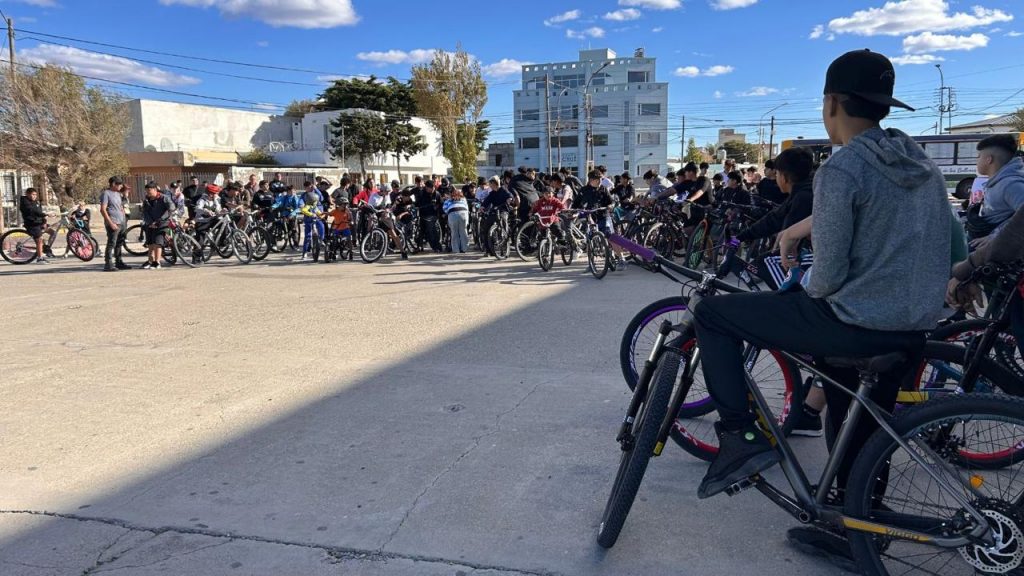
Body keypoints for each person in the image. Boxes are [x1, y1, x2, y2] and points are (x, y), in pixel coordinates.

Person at [691, 51, 952, 568]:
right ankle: (856, 526)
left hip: (855, 321)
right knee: (857, 421)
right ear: (883, 107)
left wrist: (797, 283)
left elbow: (827, 276)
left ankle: (739, 437)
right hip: (913, 324)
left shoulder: (843, 169)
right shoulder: (919, 162)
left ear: (830, 103)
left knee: (714, 313)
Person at [966, 133, 1024, 241]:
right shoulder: (998, 182)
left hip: (996, 252)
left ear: (989, 160)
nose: (976, 161)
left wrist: (994, 238)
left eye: (978, 157)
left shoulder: (1010, 184)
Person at [140, 182, 174, 270]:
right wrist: (150, 222)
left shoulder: (164, 198)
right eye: (146, 191)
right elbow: (145, 212)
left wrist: (159, 221)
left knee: (157, 242)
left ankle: (157, 262)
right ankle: (150, 261)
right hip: (150, 224)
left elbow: (171, 208)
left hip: (162, 223)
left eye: (149, 190)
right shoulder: (146, 200)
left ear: (155, 190)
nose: (147, 192)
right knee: (150, 243)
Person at [480, 175, 517, 257]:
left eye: (491, 184)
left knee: (503, 222)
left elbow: (510, 196)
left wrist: (509, 199)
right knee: (486, 228)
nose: (490, 186)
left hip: (503, 210)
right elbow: (487, 201)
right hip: (494, 211)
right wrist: (482, 207)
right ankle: (488, 250)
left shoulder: (503, 190)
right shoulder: (492, 193)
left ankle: (506, 241)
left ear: (495, 183)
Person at [100, 176, 131, 271]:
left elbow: (121, 206)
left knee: (119, 243)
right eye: (119, 184)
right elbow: (103, 209)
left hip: (121, 221)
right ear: (113, 184)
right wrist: (110, 223)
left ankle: (119, 261)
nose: (121, 186)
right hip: (113, 222)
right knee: (112, 243)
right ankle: (108, 264)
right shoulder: (106, 193)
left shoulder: (118, 194)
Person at [18, 188, 51, 264]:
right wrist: (45, 214)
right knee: (39, 239)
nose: (34, 196)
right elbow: (32, 211)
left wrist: (44, 221)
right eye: (32, 194)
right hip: (31, 223)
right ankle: (39, 258)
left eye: (35, 195)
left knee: (52, 232)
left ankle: (46, 249)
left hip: (38, 222)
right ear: (27, 194)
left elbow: (39, 212)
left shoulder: (36, 202)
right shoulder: (25, 202)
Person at [416, 179, 443, 252]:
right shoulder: (421, 194)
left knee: (432, 231)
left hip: (433, 216)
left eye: (433, 188)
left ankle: (436, 247)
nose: (432, 190)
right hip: (423, 215)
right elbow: (417, 204)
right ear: (426, 187)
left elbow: (441, 204)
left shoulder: (437, 194)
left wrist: (437, 207)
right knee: (421, 232)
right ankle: (419, 246)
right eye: (430, 188)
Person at [299, 190, 325, 261]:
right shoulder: (307, 206)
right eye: (315, 201)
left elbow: (318, 212)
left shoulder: (314, 207)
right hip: (308, 222)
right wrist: (311, 214)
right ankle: (304, 252)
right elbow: (303, 210)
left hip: (315, 221)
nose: (316, 202)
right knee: (307, 236)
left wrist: (322, 215)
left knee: (321, 226)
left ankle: (321, 239)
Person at [444, 189, 470, 253]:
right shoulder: (463, 199)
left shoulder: (448, 200)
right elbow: (467, 208)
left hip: (452, 213)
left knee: (454, 232)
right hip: (463, 213)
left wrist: (448, 212)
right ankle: (464, 248)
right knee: (463, 231)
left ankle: (456, 250)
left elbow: (445, 209)